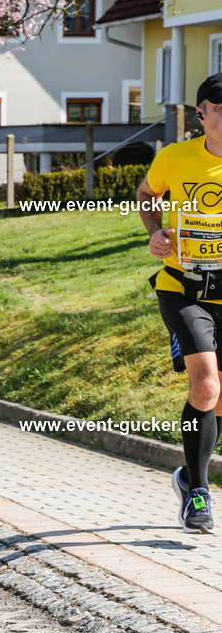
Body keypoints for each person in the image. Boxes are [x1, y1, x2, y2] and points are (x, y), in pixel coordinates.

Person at [137, 71, 222, 535]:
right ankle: (199, 492)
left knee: (220, 399)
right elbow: (146, 195)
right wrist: (156, 233)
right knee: (205, 386)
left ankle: (187, 475)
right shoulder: (175, 158)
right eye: (221, 109)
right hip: (183, 286)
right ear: (201, 113)